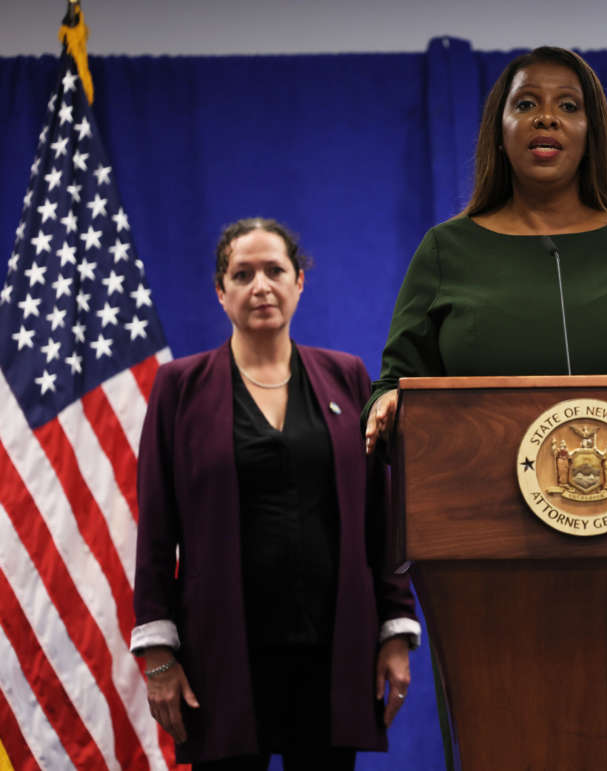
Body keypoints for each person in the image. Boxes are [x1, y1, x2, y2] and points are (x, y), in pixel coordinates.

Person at [131, 218, 421, 769]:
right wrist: (159, 655)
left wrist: (395, 630)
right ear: (221, 292)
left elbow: (381, 518)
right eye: (243, 274)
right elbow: (156, 528)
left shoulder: (347, 378)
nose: (260, 286)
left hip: (333, 650)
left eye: (274, 271)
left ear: (299, 282)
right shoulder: (180, 389)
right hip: (222, 654)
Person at [362, 46, 607, 448]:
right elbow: (394, 384)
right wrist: (389, 402)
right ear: (499, 131)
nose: (546, 117)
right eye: (526, 103)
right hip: (478, 499)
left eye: (568, 106)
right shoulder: (446, 249)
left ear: (592, 133)